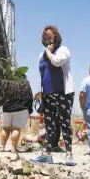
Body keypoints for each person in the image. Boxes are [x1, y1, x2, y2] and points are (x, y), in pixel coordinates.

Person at [31, 25, 76, 166]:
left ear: (56, 36)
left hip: (63, 91)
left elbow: (57, 62)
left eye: (49, 36)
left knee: (65, 123)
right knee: (49, 123)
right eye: (44, 36)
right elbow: (43, 74)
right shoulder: (41, 55)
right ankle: (47, 154)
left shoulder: (63, 50)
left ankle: (69, 154)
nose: (46, 38)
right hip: (48, 93)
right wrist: (41, 92)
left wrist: (50, 53)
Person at [1, 76, 33, 153]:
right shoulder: (25, 83)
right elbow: (30, 98)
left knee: (5, 128)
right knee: (16, 129)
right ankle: (13, 148)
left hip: (7, 108)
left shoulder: (8, 82)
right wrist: (30, 109)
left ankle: (2, 147)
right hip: (21, 109)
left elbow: (2, 96)